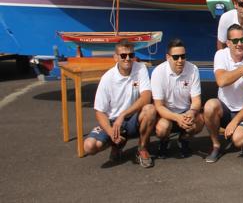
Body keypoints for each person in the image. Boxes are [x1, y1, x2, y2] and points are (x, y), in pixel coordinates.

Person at [83, 40, 156, 168]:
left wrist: (123, 114)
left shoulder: (140, 68)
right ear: (115, 57)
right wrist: (111, 132)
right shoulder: (107, 78)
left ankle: (142, 149)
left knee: (150, 110)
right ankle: (116, 145)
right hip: (113, 121)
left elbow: (146, 97)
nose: (127, 58)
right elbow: (100, 111)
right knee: (89, 146)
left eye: (131, 55)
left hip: (132, 117)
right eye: (123, 55)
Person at [203, 24, 243, 163]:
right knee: (209, 106)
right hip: (225, 109)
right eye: (235, 41)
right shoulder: (221, 55)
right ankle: (216, 145)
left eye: (242, 40)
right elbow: (221, 81)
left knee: (238, 141)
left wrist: (236, 121)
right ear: (228, 43)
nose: (239, 44)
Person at [151, 38, 204, 159]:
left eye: (183, 56)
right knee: (162, 128)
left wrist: (191, 112)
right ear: (168, 57)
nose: (180, 60)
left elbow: (196, 100)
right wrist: (177, 118)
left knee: (200, 121)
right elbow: (158, 106)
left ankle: (184, 140)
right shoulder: (158, 72)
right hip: (167, 114)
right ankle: (164, 141)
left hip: (185, 112)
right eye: (176, 57)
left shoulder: (193, 69)